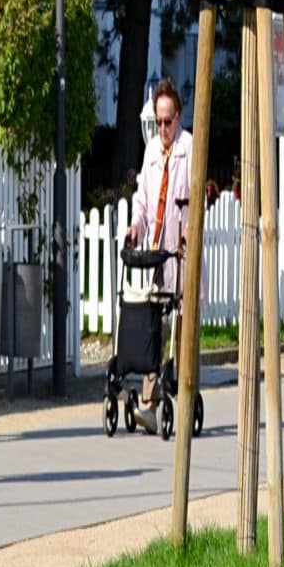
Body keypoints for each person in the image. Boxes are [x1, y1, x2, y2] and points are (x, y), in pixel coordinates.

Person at [126, 76, 192, 406]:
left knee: (181, 321)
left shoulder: (189, 147)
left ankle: (180, 385)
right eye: (159, 121)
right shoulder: (152, 150)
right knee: (153, 322)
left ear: (178, 116)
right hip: (156, 250)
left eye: (168, 121)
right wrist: (135, 227)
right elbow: (142, 198)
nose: (163, 127)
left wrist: (187, 231)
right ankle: (151, 400)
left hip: (180, 254)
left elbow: (196, 200)